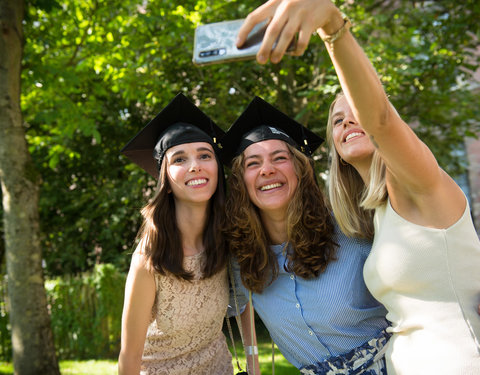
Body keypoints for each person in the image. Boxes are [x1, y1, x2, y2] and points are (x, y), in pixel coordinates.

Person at [236, 0, 480, 373]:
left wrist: (333, 26)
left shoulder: (420, 188)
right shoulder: (374, 220)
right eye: (337, 120)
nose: (350, 121)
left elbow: (380, 119)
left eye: (357, 112)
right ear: (334, 144)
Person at [221, 96, 390, 375]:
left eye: (279, 158)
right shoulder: (243, 260)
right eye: (253, 163)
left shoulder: (349, 227)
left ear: (300, 169)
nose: (267, 169)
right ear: (241, 183)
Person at [118, 93, 233, 375]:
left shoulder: (227, 236)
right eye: (179, 159)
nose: (195, 165)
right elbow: (129, 357)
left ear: (217, 169)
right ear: (166, 181)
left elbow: (243, 300)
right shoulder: (150, 257)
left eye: (205, 155)